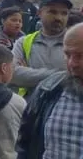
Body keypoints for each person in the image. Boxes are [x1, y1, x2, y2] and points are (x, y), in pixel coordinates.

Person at [16, 23, 83, 158]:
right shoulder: (48, 90)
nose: (72, 63)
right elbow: (25, 144)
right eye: (67, 54)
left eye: (80, 55)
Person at [11, 0, 71, 98]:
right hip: (31, 105)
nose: (59, 18)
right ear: (39, 13)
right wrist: (65, 75)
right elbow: (14, 74)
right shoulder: (24, 42)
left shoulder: (76, 43)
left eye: (64, 13)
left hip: (66, 105)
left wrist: (30, 74)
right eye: (52, 12)